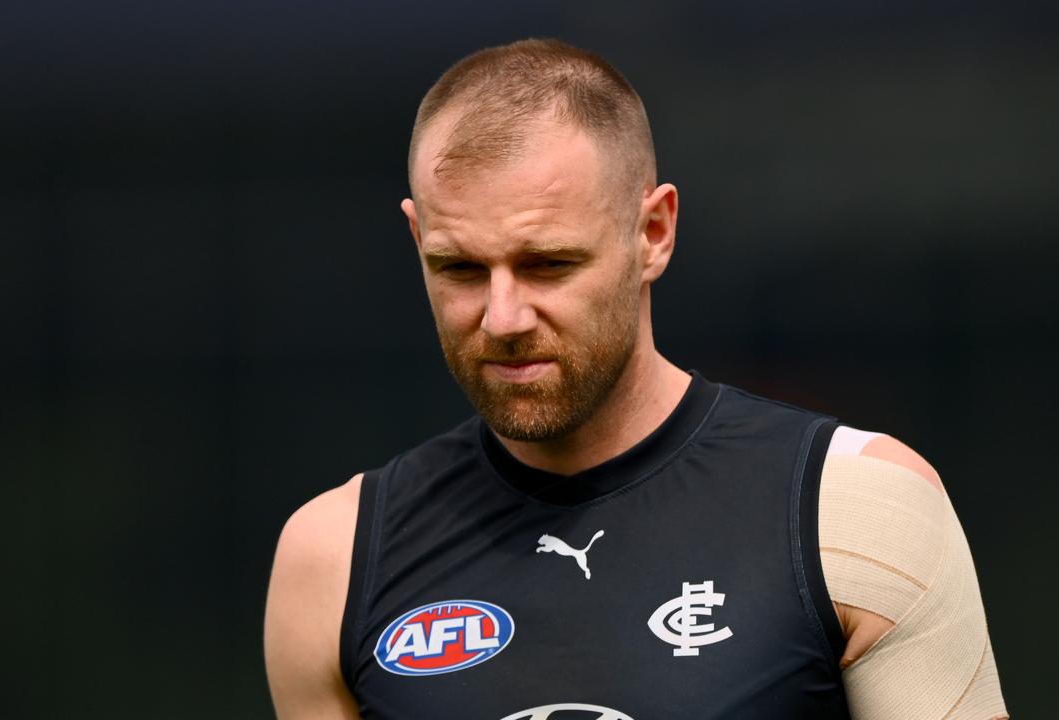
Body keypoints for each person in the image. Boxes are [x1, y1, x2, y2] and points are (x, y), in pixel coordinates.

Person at [264, 39, 1008, 720]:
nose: (501, 316)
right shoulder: (333, 560)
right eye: (458, 268)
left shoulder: (858, 511)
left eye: (549, 263)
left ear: (653, 233)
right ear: (416, 239)